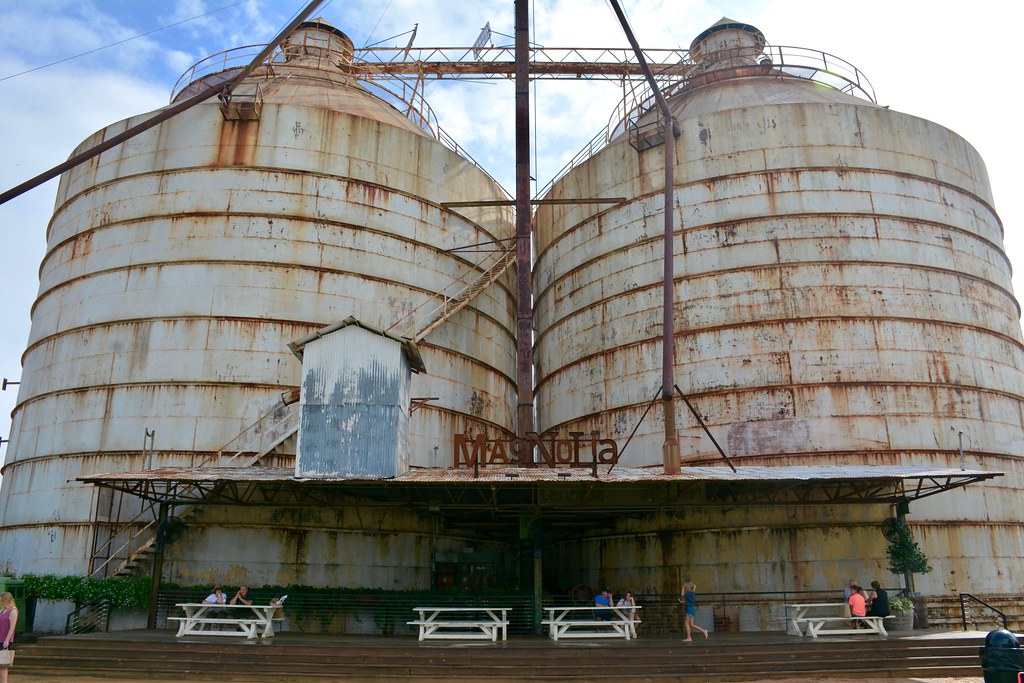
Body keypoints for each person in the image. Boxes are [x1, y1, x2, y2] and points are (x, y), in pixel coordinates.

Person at [0, 591, 19, 683]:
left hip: (5, 639)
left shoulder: (13, 611)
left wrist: (7, 640)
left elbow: (12, 627)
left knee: (3, 664)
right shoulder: (1, 611)